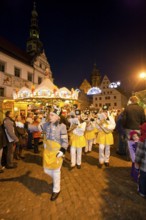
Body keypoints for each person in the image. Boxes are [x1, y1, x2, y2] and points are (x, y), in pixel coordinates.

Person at [29, 106, 68, 201]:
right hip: (48, 151)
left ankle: (56, 189)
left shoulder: (62, 126)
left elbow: (65, 141)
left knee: (56, 171)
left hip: (57, 152)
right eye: (50, 114)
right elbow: (36, 128)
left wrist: (62, 150)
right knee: (46, 170)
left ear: (57, 117)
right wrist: (23, 126)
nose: (49, 116)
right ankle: (56, 180)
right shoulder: (47, 124)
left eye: (52, 115)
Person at [135, 122, 146, 198]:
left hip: (145, 166)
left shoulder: (143, 139)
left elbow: (139, 153)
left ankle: (142, 192)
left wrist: (137, 161)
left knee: (143, 178)